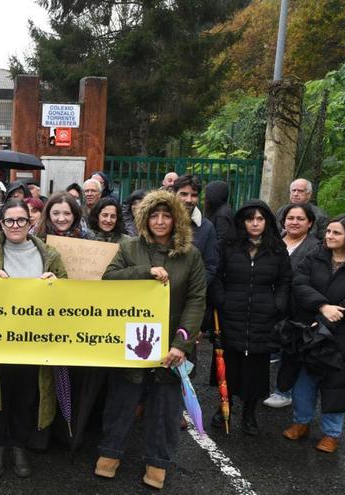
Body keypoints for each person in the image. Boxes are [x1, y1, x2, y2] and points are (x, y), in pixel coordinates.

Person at [96, 190, 206, 490]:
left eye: (166, 215)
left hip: (171, 343)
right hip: (131, 340)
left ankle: (158, 462)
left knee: (166, 407)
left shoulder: (190, 255)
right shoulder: (129, 247)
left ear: (176, 219)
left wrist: (181, 344)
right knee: (122, 400)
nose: (160, 221)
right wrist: (145, 272)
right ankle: (110, 453)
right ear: (145, 217)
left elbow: (196, 300)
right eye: (154, 215)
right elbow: (109, 279)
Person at [0, 198, 66, 478]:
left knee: (25, 394)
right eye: (9, 220)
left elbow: (68, 291)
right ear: (2, 224)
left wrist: (56, 285)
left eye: (21, 220)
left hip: (34, 340)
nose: (15, 225)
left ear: (30, 223)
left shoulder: (49, 254)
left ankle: (19, 445)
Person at [282, 214, 345, 453]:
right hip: (311, 330)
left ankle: (332, 434)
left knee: (337, 383)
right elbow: (299, 283)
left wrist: (324, 321)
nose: (329, 237)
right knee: (304, 381)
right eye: (328, 232)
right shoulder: (316, 255)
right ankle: (301, 423)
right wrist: (322, 307)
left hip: (344, 334)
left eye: (336, 233)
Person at [210, 199, 291, 435]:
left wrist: (278, 305)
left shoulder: (276, 248)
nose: (255, 224)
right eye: (250, 219)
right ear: (242, 222)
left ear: (266, 222)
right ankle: (224, 406)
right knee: (229, 364)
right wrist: (221, 299)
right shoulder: (228, 245)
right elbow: (216, 275)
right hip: (231, 314)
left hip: (263, 316)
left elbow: (285, 280)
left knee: (256, 369)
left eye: (260, 219)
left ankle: (249, 413)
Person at [263, 203, 320, 409]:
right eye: (290, 218)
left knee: (291, 351)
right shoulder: (273, 242)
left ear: (310, 223)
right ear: (283, 220)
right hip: (270, 304)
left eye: (300, 219)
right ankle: (260, 388)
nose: (294, 222)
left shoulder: (316, 247)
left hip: (298, 307)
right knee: (266, 348)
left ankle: (283, 391)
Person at [171, 175, 218, 285]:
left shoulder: (207, 227)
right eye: (183, 194)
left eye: (194, 195)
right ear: (174, 194)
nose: (189, 200)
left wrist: (194, 290)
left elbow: (210, 266)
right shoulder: (161, 222)